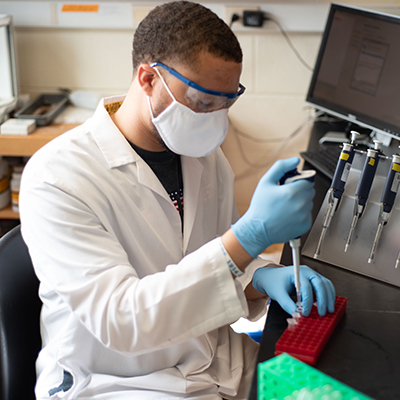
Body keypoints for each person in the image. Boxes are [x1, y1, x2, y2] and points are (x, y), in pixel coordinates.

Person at [19, 2, 335, 399]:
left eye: (226, 101)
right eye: (203, 103)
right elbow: (122, 321)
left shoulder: (201, 154)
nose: (214, 118)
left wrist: (262, 277)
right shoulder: (58, 178)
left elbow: (214, 262)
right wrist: (251, 234)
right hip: (119, 381)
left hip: (214, 362)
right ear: (148, 78)